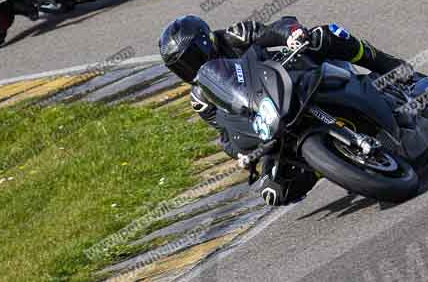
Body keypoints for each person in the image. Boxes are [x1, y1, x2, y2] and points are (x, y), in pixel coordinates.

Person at [158, 15, 412, 206]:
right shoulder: (201, 99)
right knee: (274, 192)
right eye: (181, 66)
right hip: (271, 122)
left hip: (296, 78)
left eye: (191, 58)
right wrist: (243, 152)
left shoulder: (235, 36)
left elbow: (274, 30)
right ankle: (329, 161)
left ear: (206, 42)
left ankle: (390, 67)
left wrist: (292, 34)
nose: (190, 68)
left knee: (327, 34)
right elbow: (226, 133)